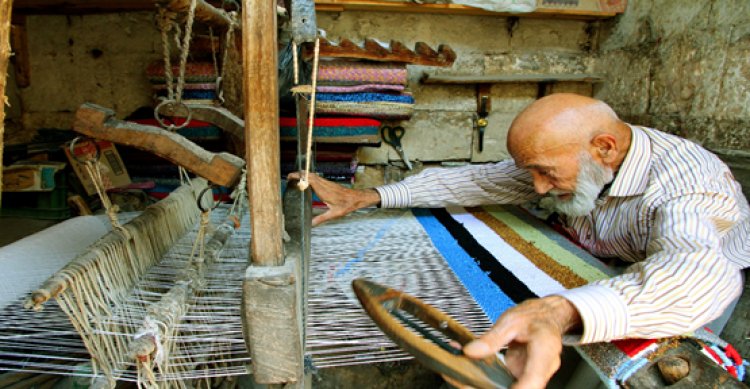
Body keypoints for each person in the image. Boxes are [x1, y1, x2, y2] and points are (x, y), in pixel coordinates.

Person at [290, 93, 749, 389]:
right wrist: (368, 196)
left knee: (610, 374)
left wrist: (558, 310)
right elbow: (482, 183)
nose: (539, 188)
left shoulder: (689, 189)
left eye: (546, 173)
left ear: (604, 148)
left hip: (691, 291)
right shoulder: (576, 160)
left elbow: (697, 275)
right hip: (614, 261)